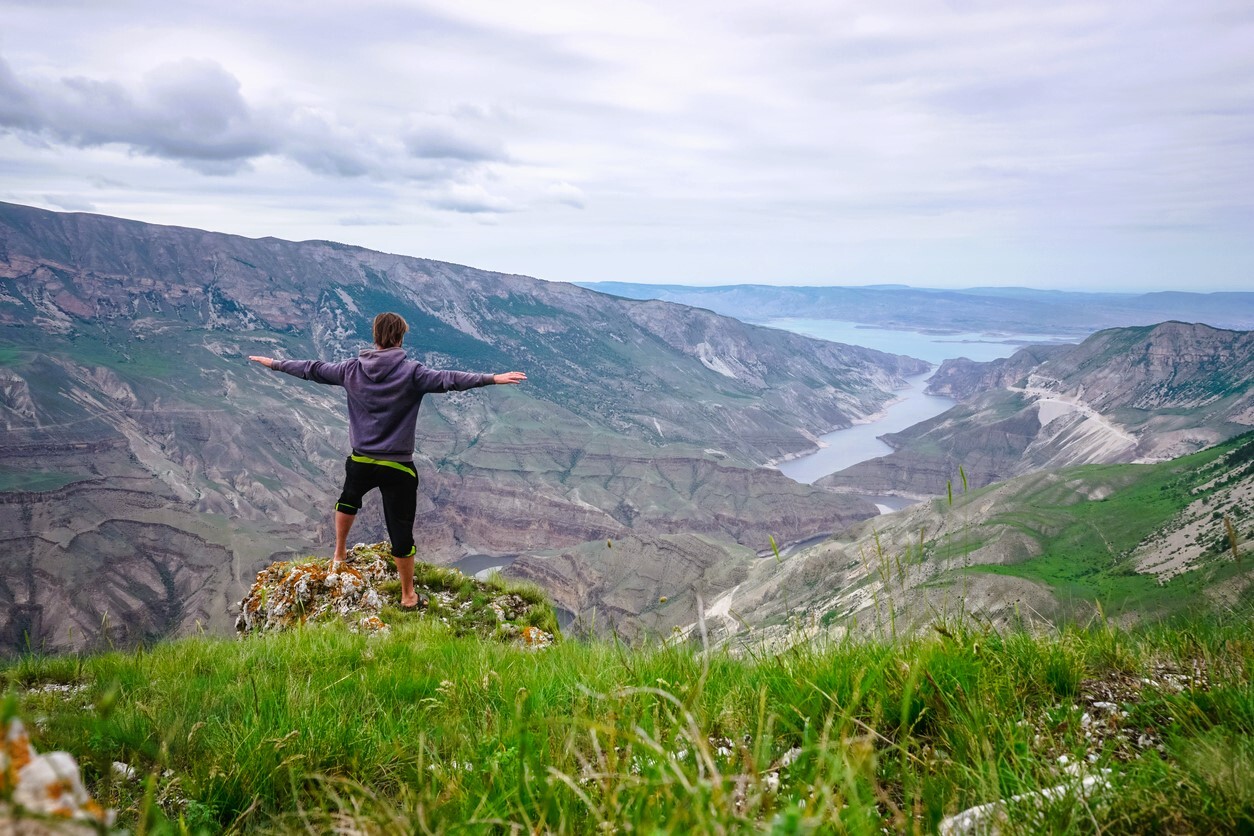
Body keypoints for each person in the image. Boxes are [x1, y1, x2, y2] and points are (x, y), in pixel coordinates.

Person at [248, 312, 526, 609]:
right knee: (400, 529)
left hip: (361, 460)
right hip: (398, 466)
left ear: (375, 337)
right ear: (399, 338)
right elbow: (450, 380)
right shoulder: (412, 372)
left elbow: (312, 369)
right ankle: (408, 596)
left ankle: (339, 553)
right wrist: (492, 379)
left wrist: (276, 363)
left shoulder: (350, 369)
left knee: (348, 499)